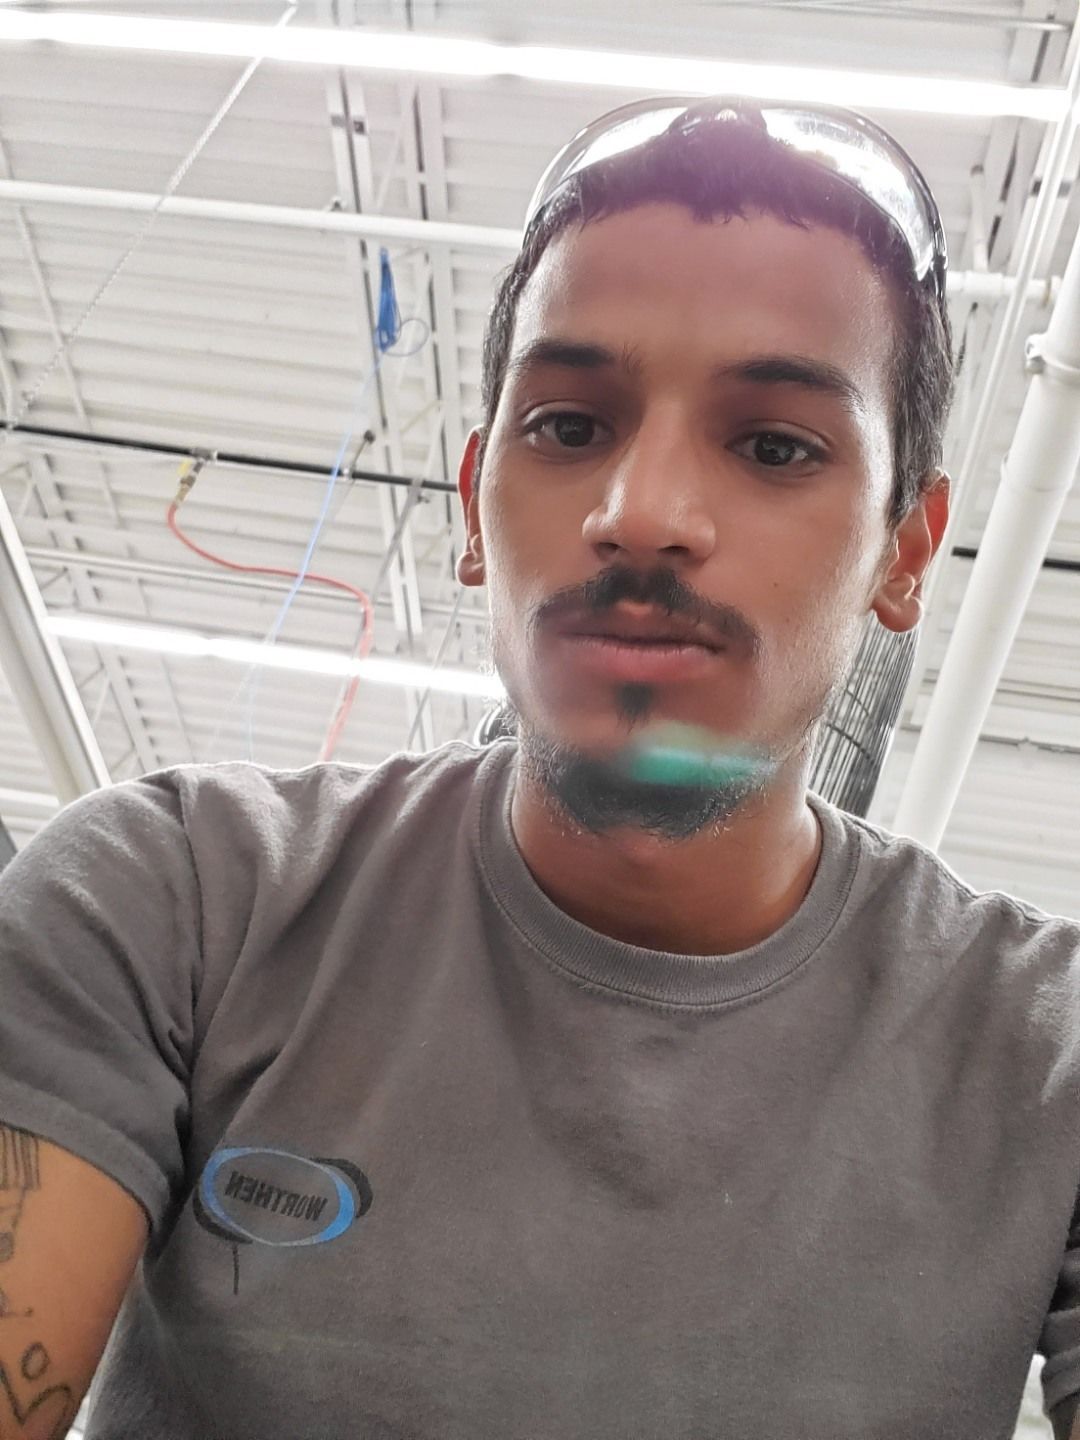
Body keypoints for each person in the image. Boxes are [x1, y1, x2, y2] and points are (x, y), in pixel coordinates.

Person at [0, 95, 1077, 1440]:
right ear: (473, 503)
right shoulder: (179, 906)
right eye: (569, 427)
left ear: (904, 552)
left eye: (775, 446)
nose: (641, 514)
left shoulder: (1044, 1055)